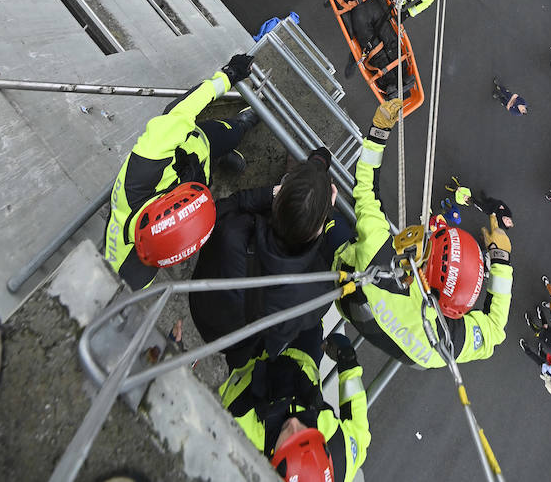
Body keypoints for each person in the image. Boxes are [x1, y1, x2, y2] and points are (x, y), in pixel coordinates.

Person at [333, 99, 513, 366]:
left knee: (329, 218)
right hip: (354, 311)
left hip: (342, 267)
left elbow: (366, 190)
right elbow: (494, 329)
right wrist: (501, 263)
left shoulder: (380, 256)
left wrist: (378, 133)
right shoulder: (448, 342)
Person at [104, 54, 258, 289]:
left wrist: (229, 75)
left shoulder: (148, 162)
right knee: (212, 165)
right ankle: (220, 155)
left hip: (192, 145)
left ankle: (239, 126)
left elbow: (180, 110)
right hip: (196, 174)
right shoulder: (137, 274)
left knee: (231, 132)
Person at [190, 147, 348, 368]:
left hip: (200, 305)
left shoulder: (230, 233)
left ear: (278, 198)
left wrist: (273, 194)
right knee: (342, 234)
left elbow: (230, 204)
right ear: (321, 226)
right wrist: (317, 221)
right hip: (229, 343)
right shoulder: (311, 297)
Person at [219, 330, 370, 481]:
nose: (294, 422)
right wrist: (347, 360)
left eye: (289, 439)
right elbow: (359, 430)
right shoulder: (341, 455)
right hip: (303, 357)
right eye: (307, 433)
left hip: (250, 356)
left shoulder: (237, 432)